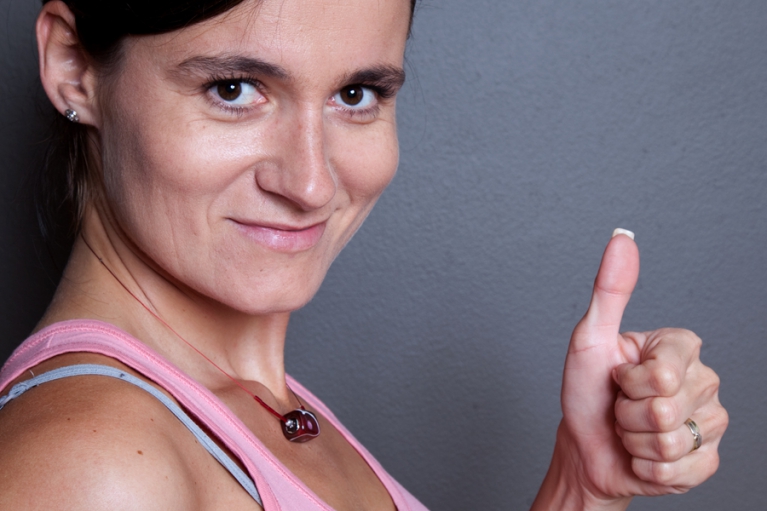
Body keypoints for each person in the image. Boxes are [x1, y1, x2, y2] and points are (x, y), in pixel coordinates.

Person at [0, 0, 728, 509]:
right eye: (233, 88)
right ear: (71, 66)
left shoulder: (248, 403)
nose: (311, 183)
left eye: (355, 94)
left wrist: (582, 486)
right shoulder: (93, 468)